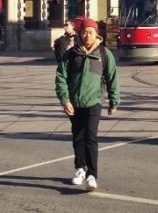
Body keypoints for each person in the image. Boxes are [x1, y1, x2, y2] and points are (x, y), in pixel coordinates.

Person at [56, 18, 119, 192]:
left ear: (96, 34)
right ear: (79, 33)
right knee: (78, 136)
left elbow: (112, 77)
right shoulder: (70, 55)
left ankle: (92, 174)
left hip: (94, 101)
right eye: (84, 32)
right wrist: (65, 100)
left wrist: (114, 101)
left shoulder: (104, 54)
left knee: (90, 136)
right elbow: (61, 77)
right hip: (74, 103)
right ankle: (80, 169)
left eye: (90, 32)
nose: (87, 35)